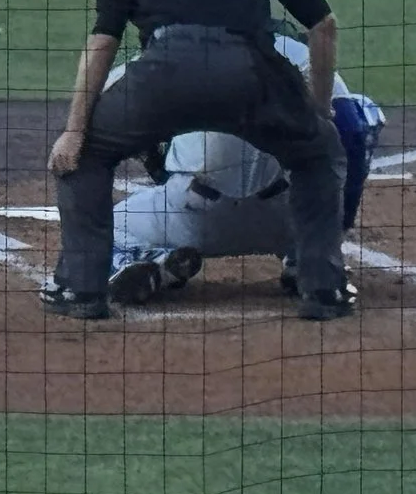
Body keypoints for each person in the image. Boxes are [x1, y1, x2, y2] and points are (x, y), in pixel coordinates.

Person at [41, 0, 353, 321]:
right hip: (251, 71)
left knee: (88, 157)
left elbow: (103, 40)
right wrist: (317, 109)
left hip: (165, 74)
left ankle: (80, 289)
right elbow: (324, 26)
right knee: (319, 155)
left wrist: (75, 132)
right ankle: (323, 288)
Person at [105, 29, 388, 305]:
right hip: (289, 218)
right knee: (364, 111)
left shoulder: (161, 57)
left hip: (195, 219)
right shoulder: (299, 54)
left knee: (103, 228)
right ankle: (307, 259)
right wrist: (334, 229)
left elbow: (98, 128)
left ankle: (152, 262)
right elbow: (351, 131)